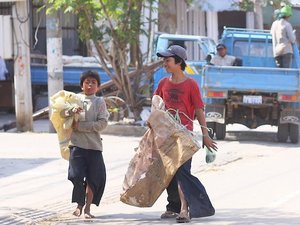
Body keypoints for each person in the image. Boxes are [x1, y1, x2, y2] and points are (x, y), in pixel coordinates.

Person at [154, 45, 217, 223]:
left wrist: (205, 135)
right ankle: (173, 207)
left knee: (182, 171)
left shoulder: (191, 85)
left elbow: (198, 110)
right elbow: (156, 106)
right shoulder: (163, 83)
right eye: (164, 60)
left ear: (179, 62)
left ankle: (184, 209)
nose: (164, 63)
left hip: (184, 134)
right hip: (166, 135)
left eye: (168, 60)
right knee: (170, 173)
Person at [60, 70, 109, 218]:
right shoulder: (74, 99)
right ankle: (79, 205)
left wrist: (81, 127)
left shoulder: (99, 102)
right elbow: (61, 114)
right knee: (76, 175)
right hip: (76, 145)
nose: (90, 85)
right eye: (87, 82)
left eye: (93, 82)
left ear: (98, 87)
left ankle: (86, 209)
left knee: (94, 179)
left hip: (94, 147)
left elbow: (103, 123)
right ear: (82, 85)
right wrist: (70, 110)